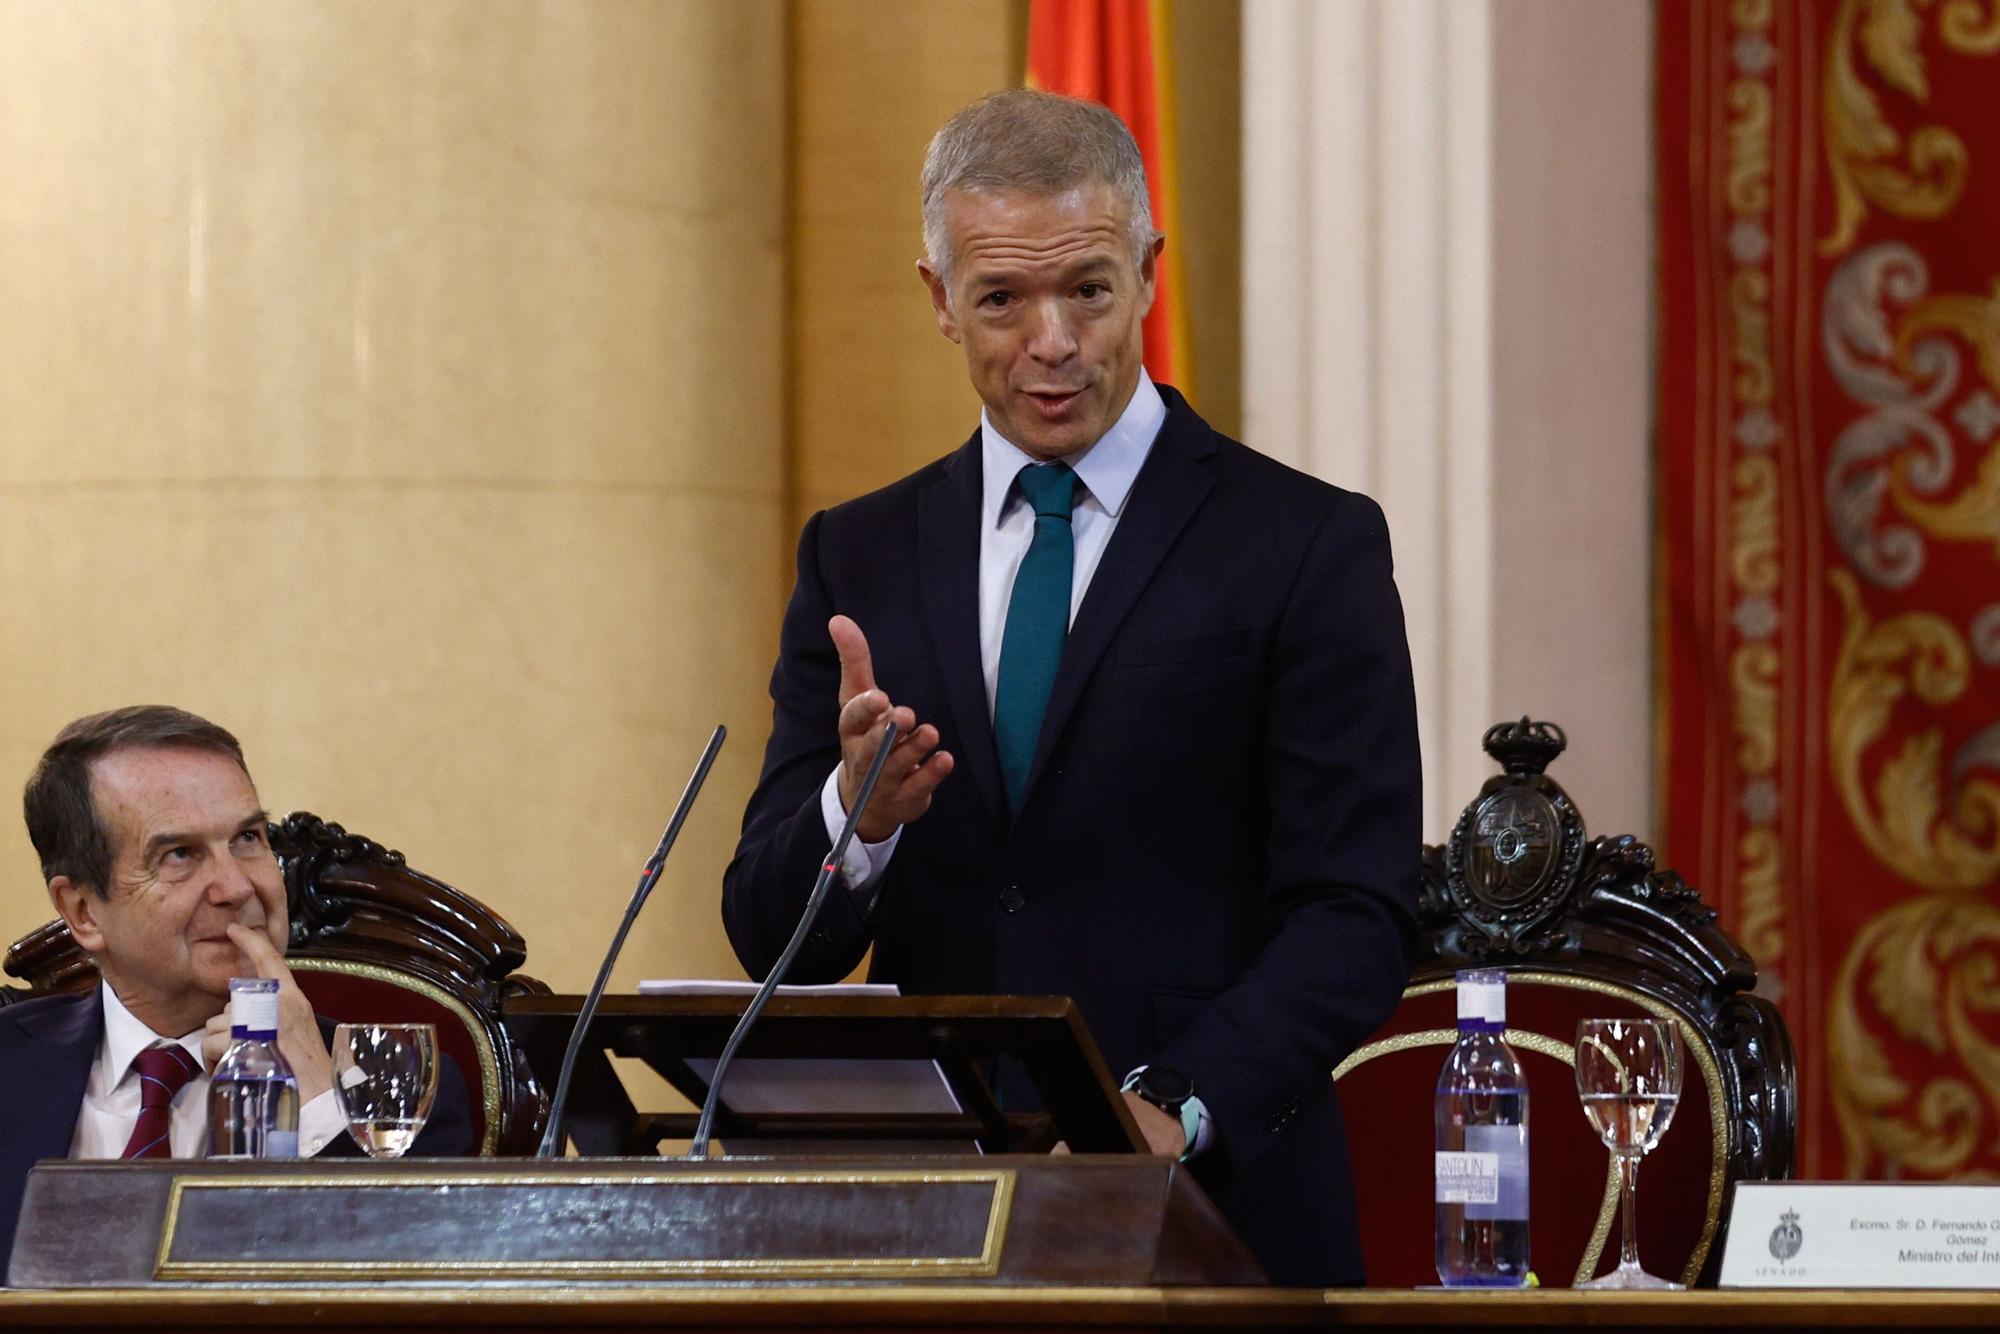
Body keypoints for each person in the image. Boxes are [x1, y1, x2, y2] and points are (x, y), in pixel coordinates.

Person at [722, 90, 1421, 1286]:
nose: (1052, 340)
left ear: (1146, 272)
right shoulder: (860, 556)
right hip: (928, 1240)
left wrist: (1170, 1104)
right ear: (942, 302)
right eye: (1001, 299)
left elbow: (1353, 910)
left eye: (1087, 289)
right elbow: (760, 927)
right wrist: (857, 821)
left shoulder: (1305, 543)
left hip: (1218, 1226)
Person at [0, 706, 472, 1275]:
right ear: (83, 913)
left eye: (247, 838)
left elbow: (406, 1290)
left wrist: (319, 1097)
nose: (237, 885)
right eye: (180, 854)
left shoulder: (400, 1095)